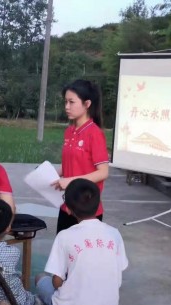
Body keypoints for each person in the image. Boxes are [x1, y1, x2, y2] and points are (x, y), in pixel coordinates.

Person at [36, 179, 128, 305]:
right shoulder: (114, 233)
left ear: (68, 209)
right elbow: (120, 267)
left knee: (40, 279)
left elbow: (56, 281)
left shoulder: (65, 237)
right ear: (98, 204)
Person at [52, 79, 109, 233]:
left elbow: (103, 172)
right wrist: (52, 174)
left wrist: (70, 181)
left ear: (87, 104)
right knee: (64, 252)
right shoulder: (69, 132)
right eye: (65, 102)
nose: (67, 107)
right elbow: (70, 165)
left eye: (71, 102)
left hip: (87, 209)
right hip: (67, 205)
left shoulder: (95, 134)